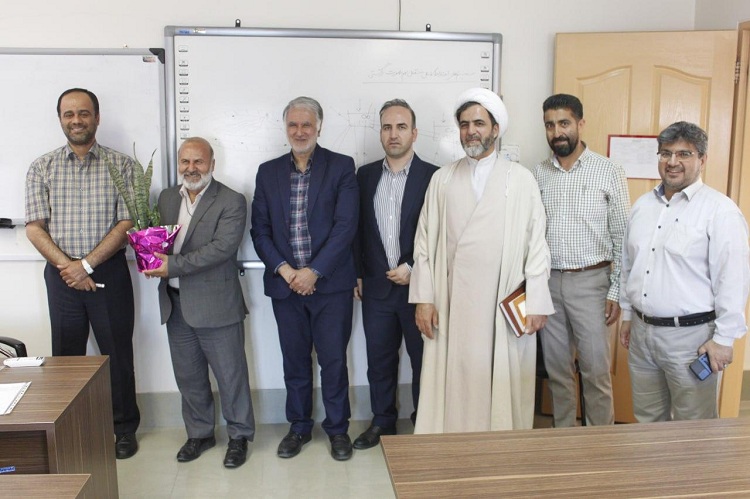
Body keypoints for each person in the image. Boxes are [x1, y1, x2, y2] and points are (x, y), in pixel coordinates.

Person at [409, 88, 554, 433]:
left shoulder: (520, 180)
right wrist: (424, 299)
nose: (471, 131)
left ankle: (497, 449)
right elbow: (424, 245)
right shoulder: (442, 179)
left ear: (495, 128)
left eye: (478, 123)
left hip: (501, 301)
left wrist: (536, 301)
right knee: (455, 379)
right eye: (464, 124)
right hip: (451, 302)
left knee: (498, 379)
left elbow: (537, 244)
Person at [25, 88, 140, 459]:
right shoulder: (42, 167)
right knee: (66, 358)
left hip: (109, 272)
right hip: (61, 275)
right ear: (61, 119)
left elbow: (127, 222)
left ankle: (124, 430)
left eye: (84, 113)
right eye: (69, 114)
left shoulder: (123, 166)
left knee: (117, 355)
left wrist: (87, 265)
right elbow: (35, 227)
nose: (77, 120)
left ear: (97, 118)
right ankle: (70, 430)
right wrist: (70, 267)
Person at [251, 96, 359, 461]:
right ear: (286, 128)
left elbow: (345, 227)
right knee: (294, 363)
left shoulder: (341, 167)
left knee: (333, 362)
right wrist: (286, 271)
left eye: (307, 125)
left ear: (319, 127)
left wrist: (313, 272)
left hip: (331, 286)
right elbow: (259, 230)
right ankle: (298, 427)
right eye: (293, 125)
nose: (300, 131)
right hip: (286, 287)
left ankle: (337, 429)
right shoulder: (267, 172)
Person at [619, 121, 750, 422]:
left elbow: (733, 281)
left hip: (692, 340)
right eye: (666, 153)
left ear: (702, 159)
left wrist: (724, 339)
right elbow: (629, 265)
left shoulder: (720, 211)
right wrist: (627, 315)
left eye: (684, 154)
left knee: (694, 426)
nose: (672, 162)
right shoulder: (642, 206)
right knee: (646, 419)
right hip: (641, 333)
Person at [144, 137, 255, 468]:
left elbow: (221, 249)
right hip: (175, 303)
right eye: (185, 161)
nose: (191, 168)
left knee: (231, 377)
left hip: (216, 305)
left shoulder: (232, 200)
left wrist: (170, 266)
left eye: (199, 162)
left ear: (212, 165)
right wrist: (147, 255)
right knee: (188, 376)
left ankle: (239, 437)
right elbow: (157, 240)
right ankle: (200, 434)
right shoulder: (166, 198)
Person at [533, 94, 629, 427]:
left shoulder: (608, 170)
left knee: (595, 371)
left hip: (592, 284)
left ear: (580, 124)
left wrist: (616, 290)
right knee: (557, 371)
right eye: (549, 125)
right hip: (549, 283)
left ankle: (599, 443)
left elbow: (623, 237)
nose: (557, 132)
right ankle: (565, 439)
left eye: (564, 123)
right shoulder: (538, 174)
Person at [353, 99, 438, 449]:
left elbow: (442, 234)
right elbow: (356, 229)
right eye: (387, 127)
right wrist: (358, 273)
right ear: (380, 133)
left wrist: (414, 268)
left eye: (401, 127)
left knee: (423, 361)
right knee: (379, 362)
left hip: (420, 290)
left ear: (414, 133)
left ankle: (424, 422)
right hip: (376, 288)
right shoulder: (364, 176)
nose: (394, 134)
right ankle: (383, 422)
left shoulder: (434, 177)